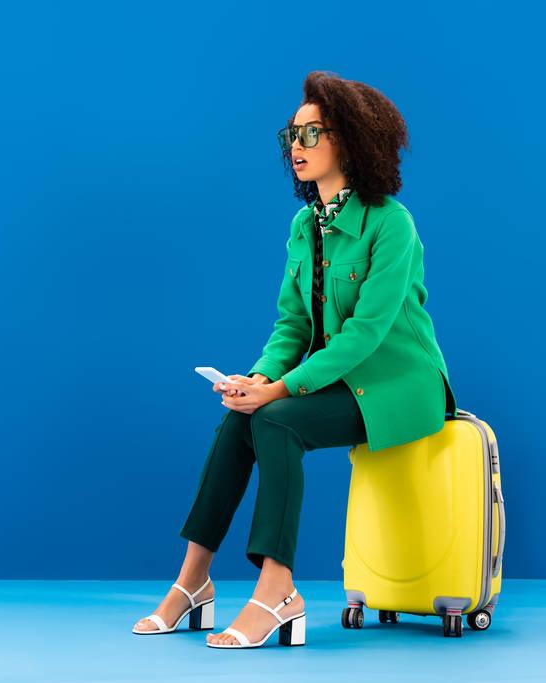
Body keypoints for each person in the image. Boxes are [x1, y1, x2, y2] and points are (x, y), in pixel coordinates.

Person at [132, 70, 457, 649]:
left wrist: (279, 393)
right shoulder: (305, 225)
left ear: (351, 140)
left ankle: (278, 589)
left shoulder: (392, 225)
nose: (296, 148)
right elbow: (293, 326)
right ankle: (192, 581)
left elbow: (364, 336)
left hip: (397, 388)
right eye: (292, 136)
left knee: (276, 420)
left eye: (312, 134)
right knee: (242, 416)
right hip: (334, 381)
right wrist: (257, 379)